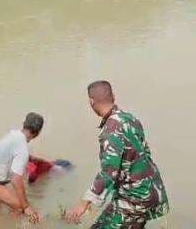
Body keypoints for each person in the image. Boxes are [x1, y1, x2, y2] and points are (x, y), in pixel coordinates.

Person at [65, 81, 169, 229]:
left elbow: (109, 172)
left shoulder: (110, 130)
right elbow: (144, 153)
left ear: (91, 102)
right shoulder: (130, 119)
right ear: (113, 96)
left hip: (135, 198)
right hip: (151, 190)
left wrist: (84, 203)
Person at [0, 112, 45, 223]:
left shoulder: (13, 133)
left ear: (24, 124)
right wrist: (26, 207)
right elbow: (16, 179)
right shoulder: (23, 149)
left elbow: (8, 152)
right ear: (37, 133)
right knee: (19, 207)